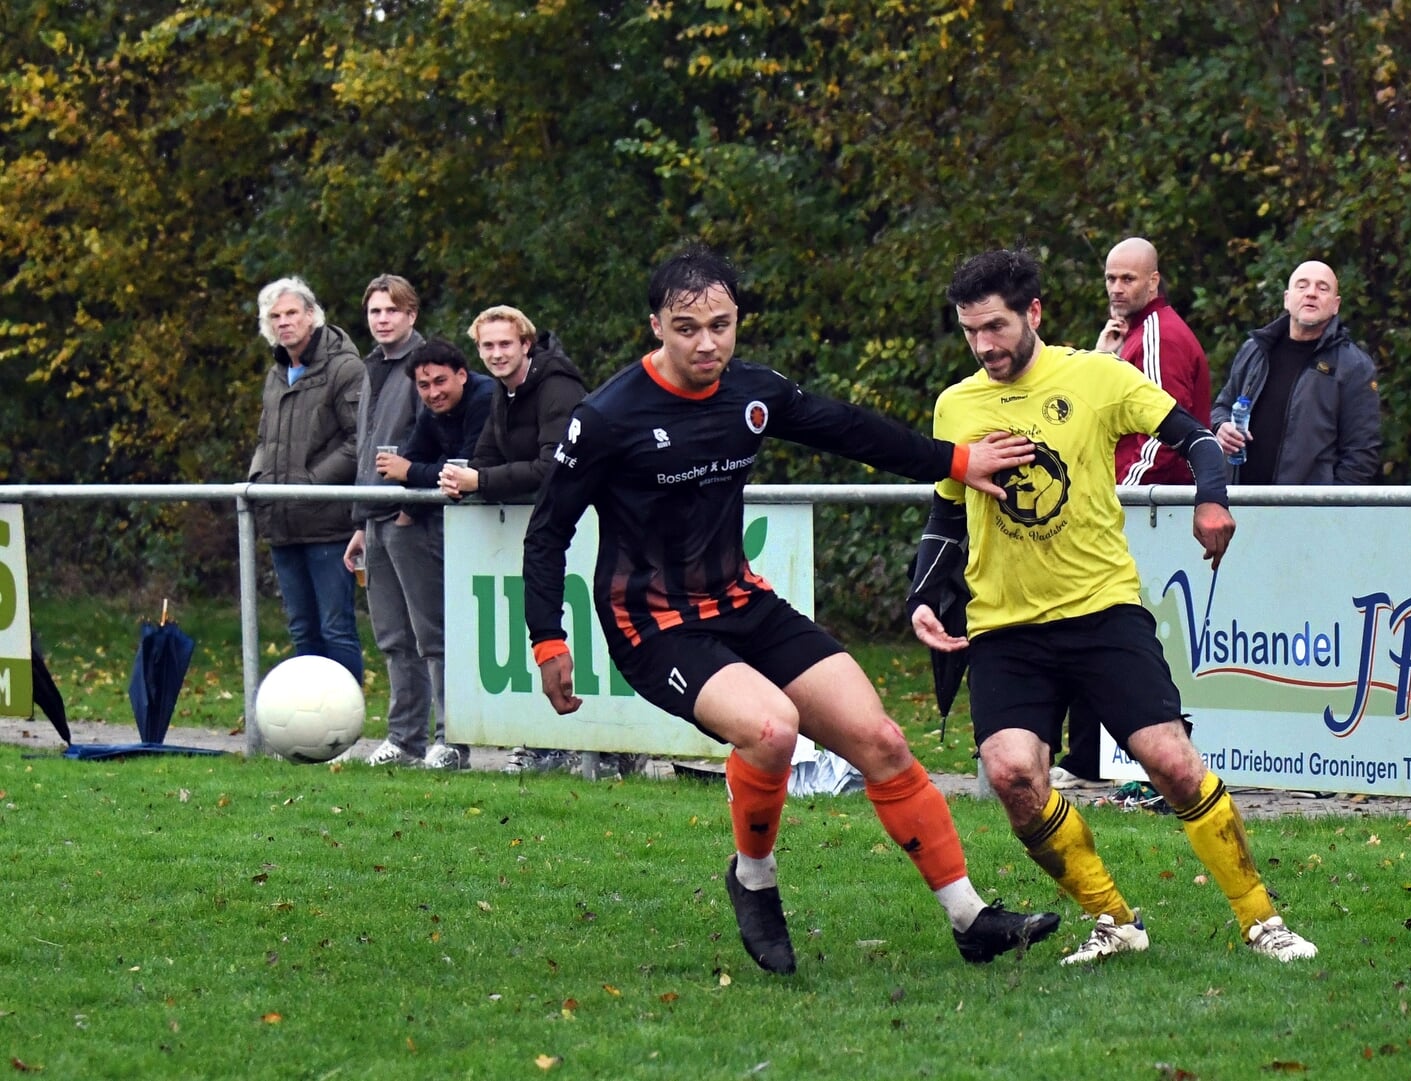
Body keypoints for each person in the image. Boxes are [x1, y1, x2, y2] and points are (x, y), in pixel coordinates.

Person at [521, 245, 1061, 973]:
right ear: (656, 325)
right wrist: (548, 640)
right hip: (651, 622)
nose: (706, 342)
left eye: (721, 324)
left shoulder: (752, 390)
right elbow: (548, 529)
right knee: (772, 731)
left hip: (741, 601)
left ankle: (971, 918)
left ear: (737, 319)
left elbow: (851, 429)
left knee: (882, 740)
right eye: (686, 327)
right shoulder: (610, 415)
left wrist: (957, 461)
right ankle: (754, 877)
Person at [909, 248, 1318, 965]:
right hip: (1005, 625)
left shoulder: (1097, 378)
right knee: (1012, 777)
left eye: (997, 327)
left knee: (1172, 763)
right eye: (971, 332)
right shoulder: (956, 404)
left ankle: (1262, 920)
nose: (985, 346)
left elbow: (1198, 441)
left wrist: (1213, 500)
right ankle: (1114, 918)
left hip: (1101, 611)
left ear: (1034, 313)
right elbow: (947, 513)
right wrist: (923, 594)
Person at [1054, 237, 1215, 789]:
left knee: (1106, 625)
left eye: (1129, 279)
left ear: (1154, 282)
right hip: (1135, 504)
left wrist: (1116, 492)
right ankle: (1087, 755)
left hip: (1143, 508)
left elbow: (1164, 433)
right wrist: (1101, 355)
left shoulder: (1160, 337)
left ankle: (1096, 757)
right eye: (1110, 279)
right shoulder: (1134, 335)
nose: (1118, 289)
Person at [438, 305, 597, 777]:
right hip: (544, 528)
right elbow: (486, 456)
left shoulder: (557, 388)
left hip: (589, 522)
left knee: (586, 631)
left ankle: (597, 747)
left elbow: (554, 466)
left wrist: (479, 481)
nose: (496, 353)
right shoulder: (501, 393)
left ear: (527, 344)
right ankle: (545, 741)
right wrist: (461, 479)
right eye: (487, 346)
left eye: (505, 344)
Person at [374, 339, 494, 769]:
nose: (433, 392)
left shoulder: (486, 398)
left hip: (491, 535)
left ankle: (523, 744)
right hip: (445, 530)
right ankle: (434, 740)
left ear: (463, 374)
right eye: (423, 385)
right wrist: (415, 486)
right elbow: (415, 461)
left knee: (482, 636)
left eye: (440, 381)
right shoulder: (432, 412)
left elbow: (471, 468)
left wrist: (413, 475)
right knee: (429, 637)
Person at [342, 274, 445, 768]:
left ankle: (449, 737)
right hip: (375, 516)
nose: (382, 319)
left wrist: (414, 501)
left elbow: (436, 436)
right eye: (374, 311)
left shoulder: (426, 366)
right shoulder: (370, 367)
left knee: (432, 634)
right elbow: (367, 448)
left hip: (413, 518)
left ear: (411, 315)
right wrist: (360, 522)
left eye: (391, 310)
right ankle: (405, 740)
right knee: (392, 636)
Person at [249, 278, 367, 686]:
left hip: (327, 522)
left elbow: (359, 441)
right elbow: (267, 440)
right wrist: (256, 482)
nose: (284, 323)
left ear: (312, 315)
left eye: (292, 313)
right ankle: (316, 732)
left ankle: (346, 727)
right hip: (282, 522)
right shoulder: (277, 373)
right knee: (302, 630)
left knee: (336, 629)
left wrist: (310, 482)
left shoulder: (344, 367)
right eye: (275, 316)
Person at [1211, 260, 1381, 485]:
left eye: (1322, 288)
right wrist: (1221, 426)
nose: (1311, 293)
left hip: (1307, 513)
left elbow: (1361, 454)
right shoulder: (1255, 350)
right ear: (1287, 299)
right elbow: (1221, 407)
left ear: (1336, 305)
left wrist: (1331, 508)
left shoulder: (1354, 367)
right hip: (1240, 505)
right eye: (1302, 286)